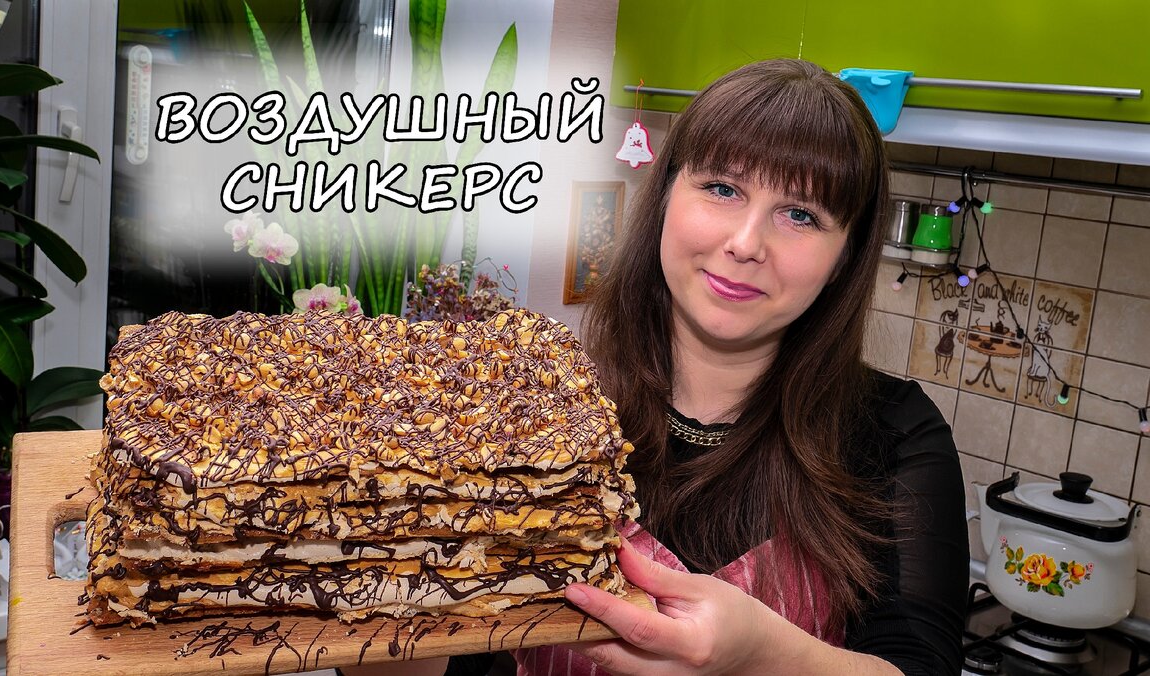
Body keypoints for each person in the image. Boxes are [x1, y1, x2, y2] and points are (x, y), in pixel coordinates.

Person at [351, 57, 968, 676]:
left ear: (845, 258)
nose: (745, 243)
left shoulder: (896, 435)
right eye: (722, 189)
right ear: (666, 196)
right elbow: (450, 660)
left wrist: (761, 656)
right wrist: (361, 577)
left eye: (800, 215)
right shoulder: (540, 410)